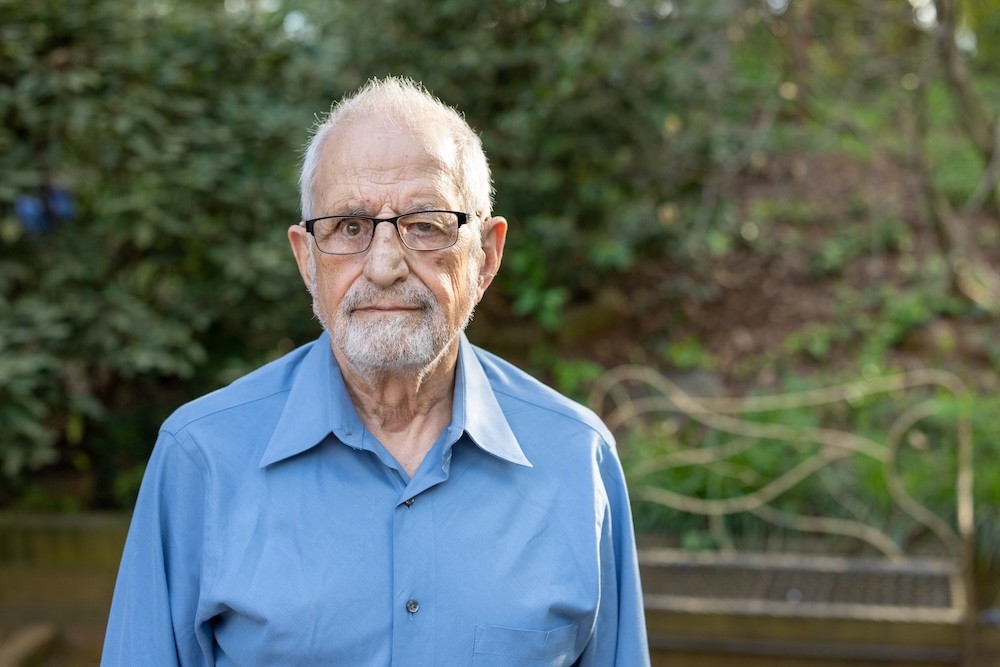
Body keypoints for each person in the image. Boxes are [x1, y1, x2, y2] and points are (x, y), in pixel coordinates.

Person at [101, 76, 650, 666]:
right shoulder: (201, 457)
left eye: (425, 223)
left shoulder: (576, 457)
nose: (385, 264)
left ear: (485, 255)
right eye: (349, 228)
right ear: (307, 258)